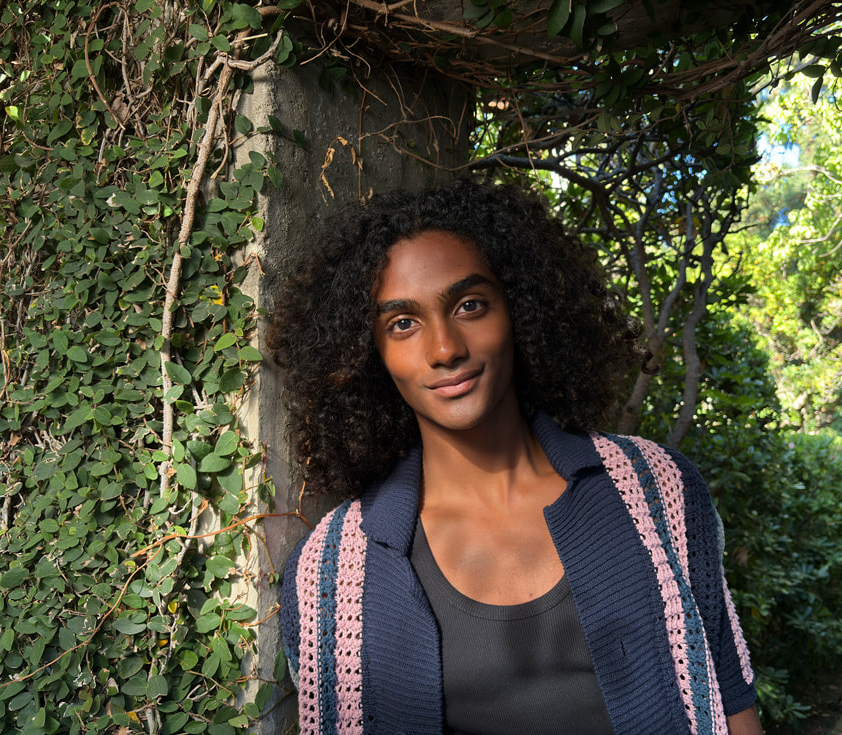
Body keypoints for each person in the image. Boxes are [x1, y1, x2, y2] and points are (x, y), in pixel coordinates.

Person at [267, 179, 763, 734]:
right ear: (368, 353)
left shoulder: (656, 490)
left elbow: (730, 700)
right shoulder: (335, 570)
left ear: (521, 311)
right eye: (402, 324)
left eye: (470, 305)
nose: (445, 348)